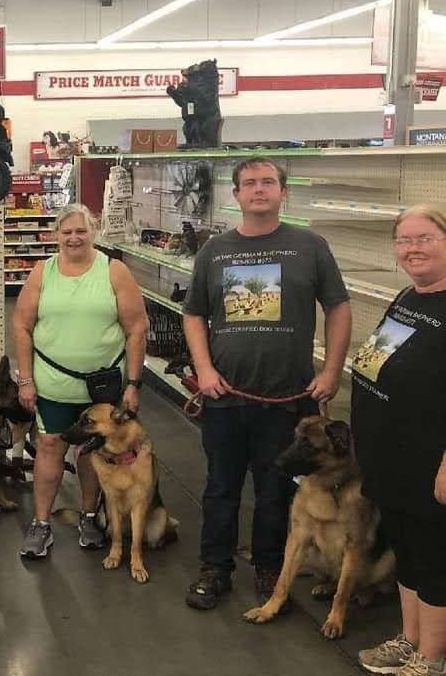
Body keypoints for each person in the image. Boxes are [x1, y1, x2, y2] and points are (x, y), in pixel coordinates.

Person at [182, 156, 351, 611]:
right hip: (225, 395)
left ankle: (268, 568)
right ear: (235, 194)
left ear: (283, 192)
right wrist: (205, 369)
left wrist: (331, 370)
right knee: (221, 487)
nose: (259, 189)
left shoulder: (310, 246)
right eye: (250, 183)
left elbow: (338, 307)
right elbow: (194, 312)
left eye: (268, 182)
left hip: (287, 399)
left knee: (276, 490)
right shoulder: (214, 250)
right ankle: (215, 567)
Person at [12, 203, 148, 558]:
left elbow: (136, 328)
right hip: (53, 384)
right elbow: (21, 326)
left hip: (103, 389)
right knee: (49, 446)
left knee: (93, 450)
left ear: (93, 232)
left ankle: (90, 516)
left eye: (81, 231)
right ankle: (41, 524)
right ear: (57, 235)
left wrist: (133, 383)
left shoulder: (113, 271)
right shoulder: (43, 272)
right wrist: (25, 379)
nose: (74, 238)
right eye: (67, 231)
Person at [353, 204, 446, 676]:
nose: (413, 248)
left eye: (425, 238)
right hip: (390, 458)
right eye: (404, 240)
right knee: (406, 551)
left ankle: (431, 658)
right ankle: (409, 639)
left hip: (429, 462)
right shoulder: (409, 297)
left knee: (434, 559)